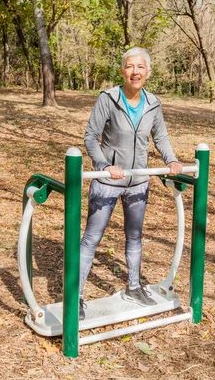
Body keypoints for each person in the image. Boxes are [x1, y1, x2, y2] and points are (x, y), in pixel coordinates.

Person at [79, 47, 183, 320]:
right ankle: (75, 297)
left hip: (138, 181)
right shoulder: (108, 98)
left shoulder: (153, 103)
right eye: (129, 67)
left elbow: (160, 137)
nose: (135, 72)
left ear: (148, 72)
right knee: (92, 238)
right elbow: (91, 136)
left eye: (140, 67)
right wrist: (103, 166)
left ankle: (134, 287)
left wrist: (171, 160)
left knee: (134, 236)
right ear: (123, 71)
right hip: (108, 182)